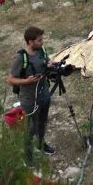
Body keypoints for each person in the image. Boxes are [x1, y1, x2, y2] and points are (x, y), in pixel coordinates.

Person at [6, 26, 56, 161]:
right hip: (29, 99)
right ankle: (27, 155)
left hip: (44, 94)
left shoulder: (42, 51)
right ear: (30, 41)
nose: (42, 42)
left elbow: (46, 61)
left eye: (42, 39)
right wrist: (26, 81)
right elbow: (10, 79)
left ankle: (41, 144)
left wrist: (50, 63)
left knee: (42, 122)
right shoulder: (21, 57)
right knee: (30, 128)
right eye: (39, 40)